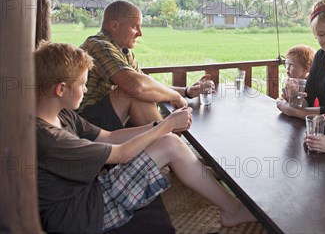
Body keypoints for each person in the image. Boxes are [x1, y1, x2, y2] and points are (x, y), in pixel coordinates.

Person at [35, 41, 255, 233]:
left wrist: (158, 126)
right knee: (169, 143)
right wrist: (166, 126)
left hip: (86, 197)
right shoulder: (49, 138)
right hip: (83, 216)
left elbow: (110, 137)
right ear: (61, 89)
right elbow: (120, 154)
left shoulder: (62, 115)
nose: (85, 89)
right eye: (83, 83)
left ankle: (230, 205)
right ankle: (233, 210)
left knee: (167, 140)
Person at [79, 0, 212, 130]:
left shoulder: (123, 51)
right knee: (132, 92)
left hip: (107, 118)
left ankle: (165, 140)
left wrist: (186, 92)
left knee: (142, 91)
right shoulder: (98, 45)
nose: (140, 33)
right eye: (135, 27)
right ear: (114, 26)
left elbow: (149, 86)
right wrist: (175, 96)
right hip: (85, 124)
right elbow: (135, 85)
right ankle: (166, 142)